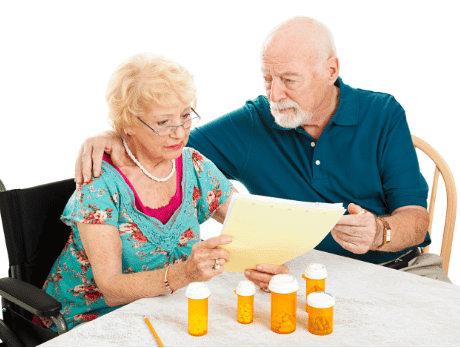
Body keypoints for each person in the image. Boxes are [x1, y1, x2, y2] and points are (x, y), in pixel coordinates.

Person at [74, 17, 450, 284]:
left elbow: (417, 221)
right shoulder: (254, 121)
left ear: (331, 70)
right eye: (267, 78)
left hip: (401, 267)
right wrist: (116, 134)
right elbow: (168, 143)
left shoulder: (381, 113)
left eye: (289, 80)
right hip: (304, 276)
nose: (274, 94)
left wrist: (379, 232)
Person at [40, 53, 239, 331]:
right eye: (163, 123)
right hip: (91, 318)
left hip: (164, 307)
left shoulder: (193, 165)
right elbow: (111, 288)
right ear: (128, 124)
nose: (180, 133)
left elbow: (250, 218)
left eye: (185, 116)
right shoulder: (100, 183)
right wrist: (186, 273)